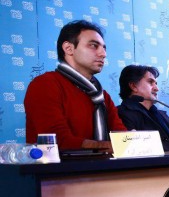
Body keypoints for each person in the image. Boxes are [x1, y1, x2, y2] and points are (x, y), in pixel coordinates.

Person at [24, 20, 127, 151]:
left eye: (104, 48)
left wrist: (134, 142)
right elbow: (57, 142)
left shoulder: (102, 95)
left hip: (102, 164)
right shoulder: (44, 84)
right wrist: (112, 146)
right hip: (61, 165)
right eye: (94, 46)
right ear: (69, 48)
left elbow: (122, 137)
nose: (103, 54)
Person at [117, 65, 169, 152]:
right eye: (150, 82)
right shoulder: (122, 113)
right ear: (133, 86)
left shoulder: (162, 115)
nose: (157, 88)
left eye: (156, 83)